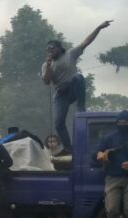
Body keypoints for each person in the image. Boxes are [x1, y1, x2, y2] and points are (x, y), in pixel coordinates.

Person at [42, 21, 112, 153]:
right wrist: (49, 66)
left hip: (73, 88)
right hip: (61, 93)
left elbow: (86, 41)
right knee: (58, 123)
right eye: (48, 49)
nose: (50, 51)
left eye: (52, 48)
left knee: (78, 77)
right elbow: (46, 82)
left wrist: (98, 28)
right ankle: (68, 147)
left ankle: (81, 107)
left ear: (58, 48)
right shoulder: (46, 65)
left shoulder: (70, 54)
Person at [95, 110, 128, 218]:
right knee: (111, 209)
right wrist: (99, 155)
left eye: (126, 122)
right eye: (120, 122)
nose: (122, 124)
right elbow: (96, 152)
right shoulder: (109, 138)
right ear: (116, 123)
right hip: (113, 177)